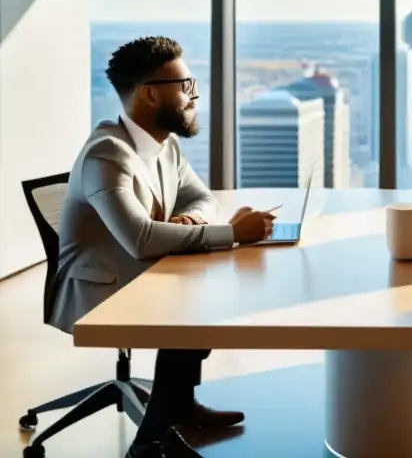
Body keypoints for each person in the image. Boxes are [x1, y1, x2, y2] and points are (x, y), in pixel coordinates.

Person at [48, 37, 277, 458]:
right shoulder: (107, 155)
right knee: (194, 297)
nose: (194, 95)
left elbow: (202, 198)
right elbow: (140, 239)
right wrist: (231, 234)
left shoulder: (164, 145)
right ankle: (150, 439)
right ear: (151, 93)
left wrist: (190, 219)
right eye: (185, 85)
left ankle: (179, 407)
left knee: (200, 283)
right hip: (100, 289)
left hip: (143, 271)